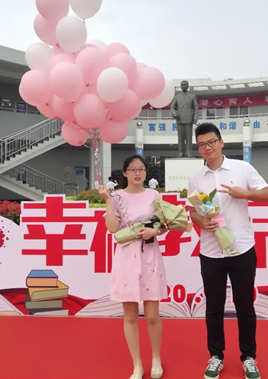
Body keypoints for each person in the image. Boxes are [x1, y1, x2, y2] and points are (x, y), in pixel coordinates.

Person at [187, 123, 268, 379]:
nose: (207, 148)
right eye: (202, 144)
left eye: (211, 142)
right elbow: (192, 210)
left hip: (241, 248)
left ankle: (249, 357)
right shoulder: (196, 178)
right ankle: (216, 355)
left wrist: (244, 193)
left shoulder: (242, 168)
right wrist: (201, 222)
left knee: (244, 305)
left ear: (221, 142)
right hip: (211, 251)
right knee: (213, 307)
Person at [98, 155, 168, 379]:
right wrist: (108, 200)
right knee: (129, 315)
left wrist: (155, 231)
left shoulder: (154, 195)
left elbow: (164, 224)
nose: (138, 173)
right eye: (133, 169)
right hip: (126, 257)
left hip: (149, 256)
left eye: (141, 169)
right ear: (125, 173)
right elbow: (112, 228)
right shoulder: (116, 197)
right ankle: (137, 365)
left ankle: (156, 359)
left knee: (152, 315)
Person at [170, 80, 198, 158]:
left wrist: (195, 117)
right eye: (182, 85)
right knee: (180, 137)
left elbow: (196, 108)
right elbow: (172, 107)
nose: (184, 86)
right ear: (181, 86)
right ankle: (180, 152)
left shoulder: (192, 96)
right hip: (180, 119)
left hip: (189, 118)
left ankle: (189, 152)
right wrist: (174, 113)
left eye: (185, 85)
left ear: (188, 86)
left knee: (189, 137)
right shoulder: (177, 97)